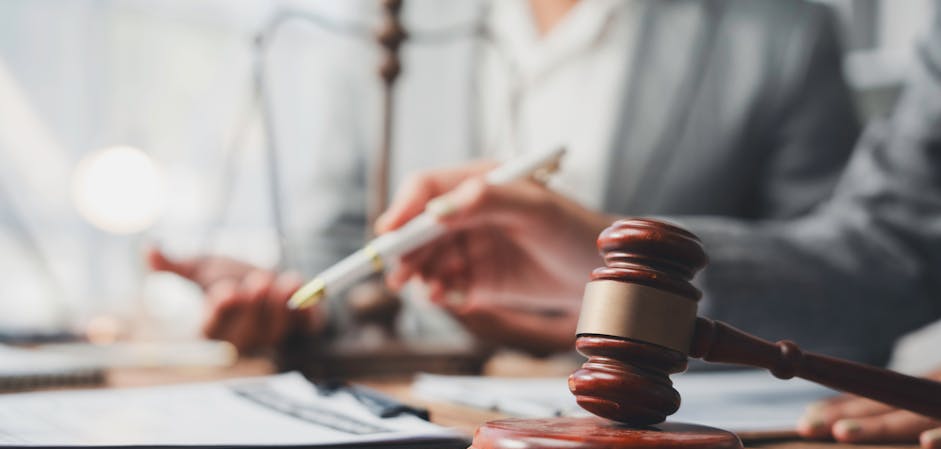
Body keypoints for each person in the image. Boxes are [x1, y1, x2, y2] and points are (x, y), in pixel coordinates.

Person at [380, 1, 941, 449]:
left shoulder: (780, 29)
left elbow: (879, 277)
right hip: (454, 397)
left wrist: (636, 287)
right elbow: (894, 243)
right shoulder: (402, 24)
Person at [150, 0, 858, 353]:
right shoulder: (392, 21)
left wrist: (596, 307)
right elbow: (337, 251)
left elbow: (848, 302)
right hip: (414, 442)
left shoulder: (778, 31)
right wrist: (291, 309)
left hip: (669, 447)